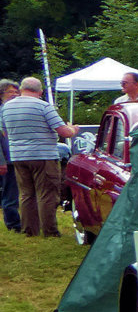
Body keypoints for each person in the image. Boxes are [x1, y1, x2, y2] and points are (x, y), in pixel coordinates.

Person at [1, 77, 77, 237]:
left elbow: (5, 132)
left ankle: (29, 230)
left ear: (21, 89)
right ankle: (50, 231)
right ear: (40, 91)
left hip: (18, 156)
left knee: (26, 194)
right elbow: (63, 132)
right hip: (43, 155)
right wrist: (73, 129)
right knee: (47, 194)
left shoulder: (6, 108)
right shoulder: (43, 106)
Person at [0, 79, 21, 232]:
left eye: (16, 92)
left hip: (19, 157)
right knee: (10, 192)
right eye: (10, 92)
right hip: (6, 159)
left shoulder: (15, 111)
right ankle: (13, 224)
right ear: (1, 95)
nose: (14, 94)